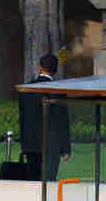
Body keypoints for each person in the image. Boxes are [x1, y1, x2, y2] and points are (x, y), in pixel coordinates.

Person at [18, 53, 71, 181]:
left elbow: (23, 120)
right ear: (55, 70)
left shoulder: (26, 90)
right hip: (51, 145)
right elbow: (62, 121)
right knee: (49, 182)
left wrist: (24, 146)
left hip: (31, 144)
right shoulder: (58, 91)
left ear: (40, 67)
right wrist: (65, 148)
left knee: (32, 181)